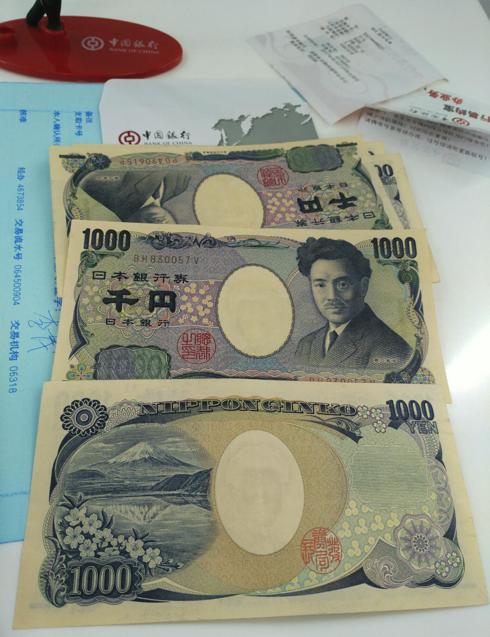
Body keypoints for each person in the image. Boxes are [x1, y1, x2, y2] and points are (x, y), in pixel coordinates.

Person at [295, 237, 413, 371]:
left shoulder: (390, 348)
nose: (332, 296)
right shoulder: (306, 345)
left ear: (363, 287)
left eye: (342, 284)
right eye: (321, 285)